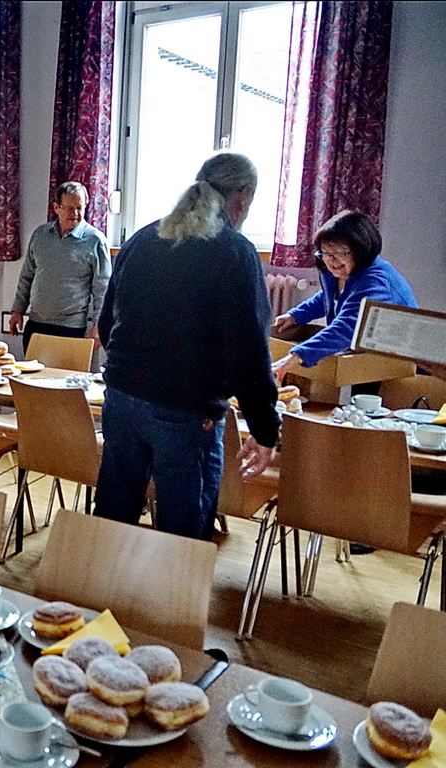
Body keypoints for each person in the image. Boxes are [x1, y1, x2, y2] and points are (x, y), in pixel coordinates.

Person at [93, 153, 280, 541]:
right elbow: (248, 353)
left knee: (114, 512)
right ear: (243, 196)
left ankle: (102, 578)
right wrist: (265, 430)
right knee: (182, 533)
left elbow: (108, 323)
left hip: (122, 400)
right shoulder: (235, 251)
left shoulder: (143, 238)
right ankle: (169, 584)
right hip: (187, 411)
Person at [271, 210, 418, 383]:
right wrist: (296, 315)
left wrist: (294, 357)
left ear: (361, 251)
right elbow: (328, 297)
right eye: (326, 252)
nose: (331, 260)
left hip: (396, 360)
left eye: (341, 253)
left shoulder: (375, 282)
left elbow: (348, 327)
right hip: (367, 351)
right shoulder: (336, 272)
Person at [9, 181, 111, 353]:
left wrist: (99, 326)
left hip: (70, 327)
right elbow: (27, 276)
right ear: (56, 207)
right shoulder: (40, 235)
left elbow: (103, 289)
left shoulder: (96, 241)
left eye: (80, 208)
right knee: (29, 371)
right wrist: (17, 310)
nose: (75, 214)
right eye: (70, 208)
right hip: (36, 324)